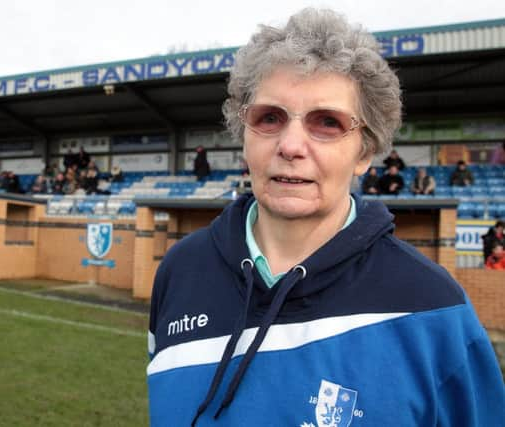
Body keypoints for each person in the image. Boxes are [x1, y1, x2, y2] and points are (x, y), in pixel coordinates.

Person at [146, 8, 504, 427]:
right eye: (270, 118)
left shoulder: (432, 306)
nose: (291, 145)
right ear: (242, 135)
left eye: (327, 123)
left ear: (365, 152)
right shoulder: (180, 269)